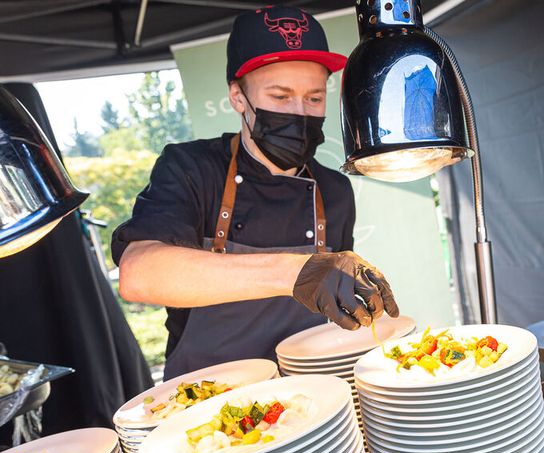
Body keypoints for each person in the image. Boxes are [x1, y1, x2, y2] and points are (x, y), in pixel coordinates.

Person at [111, 6, 399, 380]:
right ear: (238, 97)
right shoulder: (191, 168)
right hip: (209, 401)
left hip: (310, 395)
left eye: (313, 98)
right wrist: (299, 270)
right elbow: (140, 273)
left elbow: (330, 308)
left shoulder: (335, 189)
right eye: (280, 97)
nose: (299, 113)